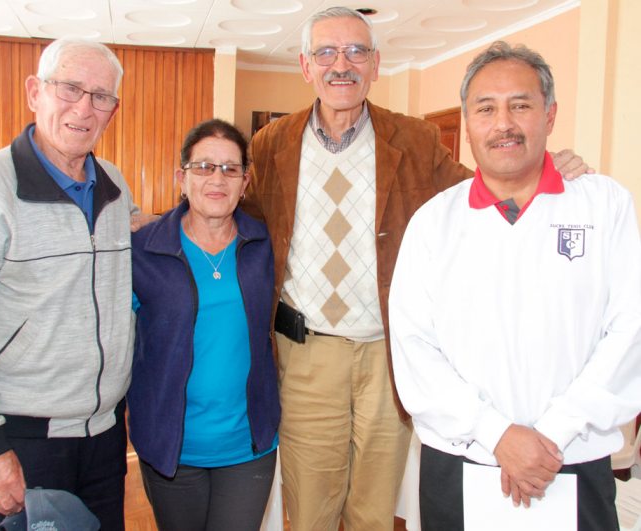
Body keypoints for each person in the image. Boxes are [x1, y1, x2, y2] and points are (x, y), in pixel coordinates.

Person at [246, 7, 591, 530]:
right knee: (310, 508)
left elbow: (483, 194)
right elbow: (238, 221)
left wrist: (544, 169)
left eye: (356, 52)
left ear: (375, 64)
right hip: (306, 357)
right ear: (305, 65)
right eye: (327, 52)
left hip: (390, 358)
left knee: (374, 512)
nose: (342, 65)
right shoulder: (272, 143)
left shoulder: (414, 139)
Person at [389, 41, 641, 531]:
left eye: (520, 105)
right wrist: (497, 434)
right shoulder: (433, 223)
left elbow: (630, 331)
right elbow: (414, 346)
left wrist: (552, 433)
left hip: (572, 458)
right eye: (486, 108)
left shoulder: (604, 205)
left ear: (550, 115)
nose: (503, 123)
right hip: (461, 458)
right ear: (467, 124)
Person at [0, 38, 138, 530]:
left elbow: (143, 237)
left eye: (101, 96)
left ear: (113, 110)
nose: (84, 108)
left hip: (104, 439)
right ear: (34, 92)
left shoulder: (114, 185)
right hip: (18, 442)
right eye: (69, 88)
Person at [128, 119, 280, 531]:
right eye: (204, 167)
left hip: (247, 446)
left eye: (230, 169)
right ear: (182, 178)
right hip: (172, 449)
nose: (217, 178)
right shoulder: (144, 249)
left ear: (245, 182)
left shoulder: (266, 246)